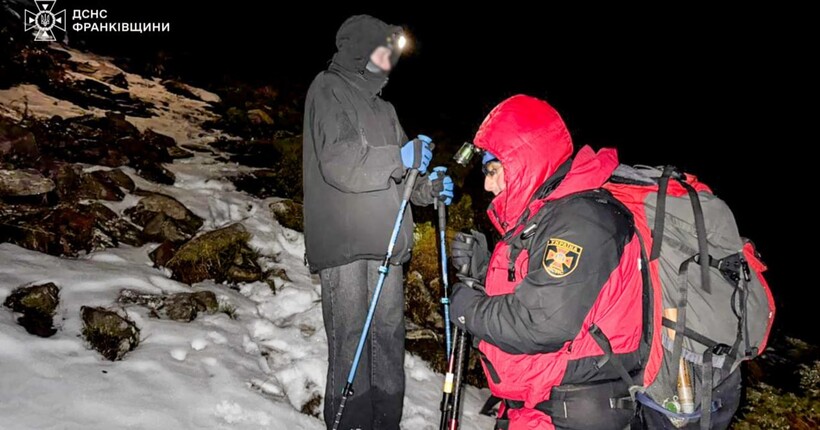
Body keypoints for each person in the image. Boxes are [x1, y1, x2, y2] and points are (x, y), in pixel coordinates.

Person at [449, 94, 644, 430]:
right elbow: (540, 289)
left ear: (524, 160)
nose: (487, 184)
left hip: (575, 410)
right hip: (540, 404)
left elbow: (540, 324)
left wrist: (467, 308)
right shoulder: (548, 215)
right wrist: (483, 273)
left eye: (494, 171)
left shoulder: (582, 222)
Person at [302, 14, 453, 430]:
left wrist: (428, 186)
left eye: (391, 55)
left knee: (387, 340)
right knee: (352, 341)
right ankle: (350, 423)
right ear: (358, 49)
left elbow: (403, 177)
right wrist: (398, 157)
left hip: (387, 243)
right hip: (346, 245)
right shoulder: (327, 89)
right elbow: (341, 162)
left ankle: (386, 422)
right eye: (381, 51)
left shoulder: (386, 110)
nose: (387, 61)